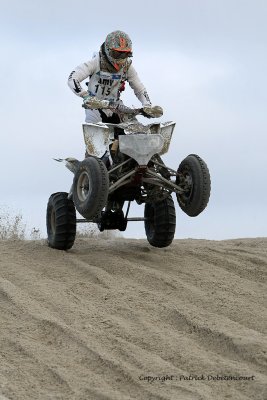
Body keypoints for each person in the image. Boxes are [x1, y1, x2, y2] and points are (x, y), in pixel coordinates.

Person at [67, 30, 157, 124]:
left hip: (116, 106)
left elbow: (139, 89)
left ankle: (144, 137)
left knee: (135, 127)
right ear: (108, 50)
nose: (121, 58)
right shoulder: (95, 62)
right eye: (117, 54)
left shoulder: (127, 66)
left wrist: (147, 106)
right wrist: (86, 96)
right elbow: (72, 78)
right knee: (95, 129)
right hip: (95, 106)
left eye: (125, 54)